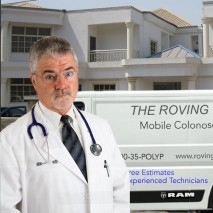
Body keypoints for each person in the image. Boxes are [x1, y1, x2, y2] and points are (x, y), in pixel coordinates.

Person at [0, 36, 130, 213]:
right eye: (50, 76)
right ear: (34, 81)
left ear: (76, 74)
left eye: (68, 74)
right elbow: (4, 206)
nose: (61, 85)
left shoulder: (101, 128)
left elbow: (120, 189)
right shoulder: (10, 140)